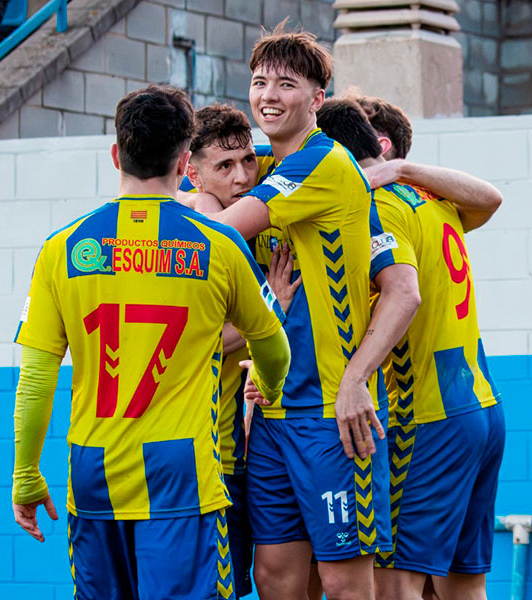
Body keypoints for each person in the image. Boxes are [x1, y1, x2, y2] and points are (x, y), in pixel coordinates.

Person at [10, 84, 291, 600]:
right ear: (186, 162)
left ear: (117, 154)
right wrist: (268, 387)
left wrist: (26, 473)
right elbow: (274, 347)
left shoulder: (62, 248)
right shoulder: (219, 244)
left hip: (93, 472)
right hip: (183, 475)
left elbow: (36, 380)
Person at [209, 24, 392, 600]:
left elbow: (217, 232)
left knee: (344, 583)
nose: (268, 94)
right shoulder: (267, 164)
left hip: (332, 413)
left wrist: (358, 378)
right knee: (274, 578)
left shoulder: (322, 163)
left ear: (317, 99)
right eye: (259, 81)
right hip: (272, 412)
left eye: (286, 84)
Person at [316, 96, 505, 600]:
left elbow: (404, 295)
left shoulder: (379, 206)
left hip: (427, 414)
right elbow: (491, 198)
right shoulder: (435, 199)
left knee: (397, 583)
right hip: (481, 407)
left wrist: (352, 377)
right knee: (465, 584)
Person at [183, 102, 301, 598]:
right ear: (192, 172)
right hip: (203, 455)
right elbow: (197, 337)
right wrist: (269, 305)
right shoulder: (198, 223)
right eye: (223, 166)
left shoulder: (246, 213)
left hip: (232, 444)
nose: (241, 176)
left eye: (247, 161)